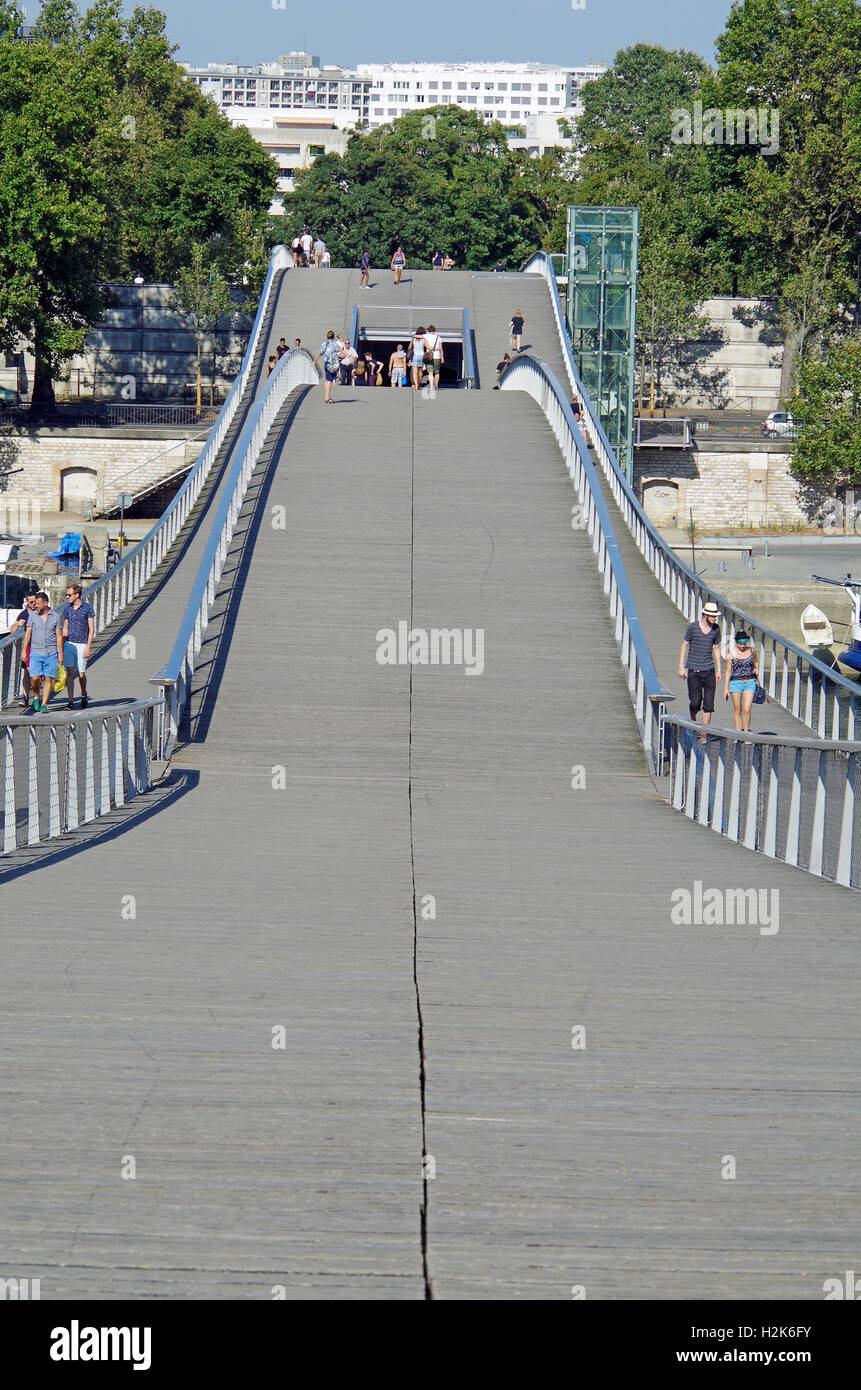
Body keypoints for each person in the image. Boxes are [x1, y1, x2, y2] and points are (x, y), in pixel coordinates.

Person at [678, 600, 722, 741]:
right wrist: (681, 666)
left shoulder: (716, 629)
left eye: (716, 616)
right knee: (696, 702)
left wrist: (719, 669)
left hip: (709, 670)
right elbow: (684, 645)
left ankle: (703, 733)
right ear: (705, 614)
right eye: (712, 615)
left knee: (708, 704)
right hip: (694, 670)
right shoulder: (693, 628)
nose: (715, 618)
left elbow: (716, 648)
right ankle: (693, 719)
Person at [22, 590, 63, 713]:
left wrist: (61, 654)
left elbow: (59, 636)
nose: (36, 605)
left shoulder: (55, 616)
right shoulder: (33, 616)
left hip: (51, 652)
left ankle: (44, 704)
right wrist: (24, 651)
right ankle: (36, 696)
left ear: (46, 603)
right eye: (35, 603)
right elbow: (28, 633)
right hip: (35, 652)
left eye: (38, 603)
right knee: (35, 678)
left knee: (48, 678)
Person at [61, 581, 95, 710]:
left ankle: (83, 693)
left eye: (69, 595)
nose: (67, 597)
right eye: (67, 595)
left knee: (81, 673)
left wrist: (88, 647)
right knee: (70, 672)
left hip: (82, 644)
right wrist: (61, 643)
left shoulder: (87, 608)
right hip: (69, 643)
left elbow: (91, 629)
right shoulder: (67, 609)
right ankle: (70, 701)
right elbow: (65, 627)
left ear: (77, 594)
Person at [723, 629, 759, 732]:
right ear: (737, 643)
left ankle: (746, 733)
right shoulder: (731, 654)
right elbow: (728, 671)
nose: (743, 646)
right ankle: (738, 733)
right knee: (738, 709)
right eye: (740, 644)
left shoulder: (752, 651)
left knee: (747, 709)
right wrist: (726, 688)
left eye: (744, 643)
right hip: (736, 683)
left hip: (750, 682)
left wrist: (756, 669)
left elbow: (756, 661)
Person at [8, 591, 37, 708]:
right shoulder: (24, 614)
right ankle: (25, 697)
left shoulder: (41, 611)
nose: (34, 604)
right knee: (27, 672)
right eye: (31, 602)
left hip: (41, 646)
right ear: (27, 602)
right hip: (29, 646)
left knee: (36, 675)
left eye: (35, 601)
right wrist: (18, 624)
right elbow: (12, 630)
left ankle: (36, 697)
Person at [314, 330, 342, 404]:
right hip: (331, 364)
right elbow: (341, 350)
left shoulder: (324, 344)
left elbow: (319, 353)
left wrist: (314, 361)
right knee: (330, 380)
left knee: (327, 380)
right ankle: (327, 398)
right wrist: (348, 356)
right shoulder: (334, 344)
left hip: (326, 363)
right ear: (333, 337)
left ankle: (326, 396)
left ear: (327, 336)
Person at [424, 323, 444, 394]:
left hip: (429, 356)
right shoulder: (439, 338)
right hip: (437, 356)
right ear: (434, 330)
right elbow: (441, 349)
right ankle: (436, 386)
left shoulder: (426, 336)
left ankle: (431, 386)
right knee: (437, 372)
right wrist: (442, 358)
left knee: (430, 372)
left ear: (428, 330)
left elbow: (418, 337)